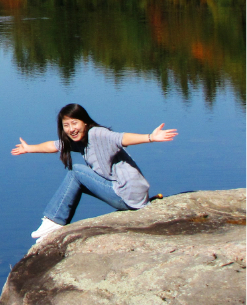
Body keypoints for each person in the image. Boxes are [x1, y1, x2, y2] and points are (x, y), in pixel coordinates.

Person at [11, 103, 177, 242]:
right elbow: (53, 146)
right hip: (130, 195)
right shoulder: (78, 141)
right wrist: (29, 148)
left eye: (74, 123)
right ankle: (56, 223)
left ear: (84, 122)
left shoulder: (97, 133)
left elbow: (121, 138)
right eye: (66, 125)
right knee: (78, 179)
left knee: (76, 172)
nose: (71, 129)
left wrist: (150, 137)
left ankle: (54, 220)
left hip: (126, 194)